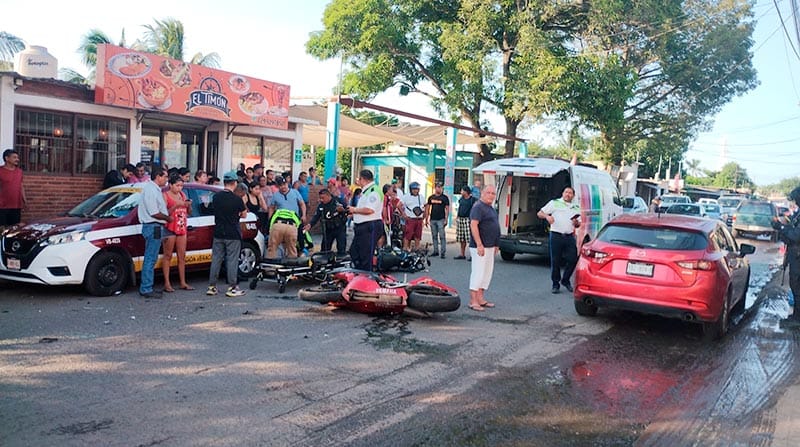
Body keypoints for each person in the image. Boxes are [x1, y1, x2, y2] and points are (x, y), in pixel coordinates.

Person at [207, 171, 248, 298]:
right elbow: (244, 214)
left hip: (218, 232)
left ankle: (212, 286)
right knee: (232, 260)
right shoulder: (237, 199)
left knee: (216, 259)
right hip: (233, 233)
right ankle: (232, 287)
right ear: (234, 183)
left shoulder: (216, 197)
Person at [537, 186, 581, 294]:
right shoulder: (555, 203)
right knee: (555, 260)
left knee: (573, 259)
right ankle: (555, 284)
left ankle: (565, 280)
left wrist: (576, 222)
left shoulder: (576, 207)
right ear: (563, 193)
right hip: (556, 235)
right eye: (566, 192)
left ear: (573, 196)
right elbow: (540, 213)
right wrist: (547, 217)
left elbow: (578, 224)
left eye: (570, 193)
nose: (568, 194)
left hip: (569, 236)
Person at [137, 167, 171, 299]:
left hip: (154, 226)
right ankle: (146, 288)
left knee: (152, 257)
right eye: (165, 177)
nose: (166, 180)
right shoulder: (151, 190)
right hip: (153, 226)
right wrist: (168, 218)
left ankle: (147, 286)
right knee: (151, 258)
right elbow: (154, 212)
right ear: (158, 176)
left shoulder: (154, 189)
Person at [468, 185, 500, 311]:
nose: (491, 195)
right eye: (488, 192)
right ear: (482, 193)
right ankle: (473, 300)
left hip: (490, 246)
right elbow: (474, 225)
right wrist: (479, 244)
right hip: (480, 247)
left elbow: (496, 226)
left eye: (493, 193)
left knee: (487, 273)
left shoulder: (491, 208)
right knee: (478, 273)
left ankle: (481, 298)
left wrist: (497, 244)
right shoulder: (478, 207)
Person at [161, 174, 193, 292]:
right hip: (169, 228)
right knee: (168, 255)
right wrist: (176, 205)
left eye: (181, 186)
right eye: (177, 185)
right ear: (170, 185)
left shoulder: (183, 195)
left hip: (181, 227)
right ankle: (167, 283)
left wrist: (188, 206)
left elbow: (189, 212)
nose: (179, 188)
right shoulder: (165, 196)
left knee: (182, 256)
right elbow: (164, 213)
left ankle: (183, 282)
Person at [348, 169, 384, 271]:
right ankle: (360, 275)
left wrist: (354, 209)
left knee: (366, 255)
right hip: (362, 227)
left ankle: (366, 279)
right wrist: (352, 213)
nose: (358, 181)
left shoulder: (374, 191)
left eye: (359, 179)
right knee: (354, 252)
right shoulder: (367, 191)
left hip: (370, 226)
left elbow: (369, 210)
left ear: (363, 179)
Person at [775, 186, 800, 327]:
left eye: (796, 200)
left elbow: (796, 236)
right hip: (794, 255)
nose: (795, 203)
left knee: (797, 287)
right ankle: (796, 315)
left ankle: (797, 318)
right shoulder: (798, 213)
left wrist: (782, 228)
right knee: (795, 286)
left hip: (798, 256)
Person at [267, 176, 306, 258]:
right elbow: (271, 207)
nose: (283, 187)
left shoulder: (295, 192)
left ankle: (300, 254)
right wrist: (270, 219)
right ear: (278, 186)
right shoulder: (276, 195)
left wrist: (304, 215)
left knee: (297, 241)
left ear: (287, 183)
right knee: (273, 245)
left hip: (295, 221)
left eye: (284, 184)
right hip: (280, 221)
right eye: (280, 185)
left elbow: (302, 204)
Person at [304, 189, 348, 255]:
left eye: (323, 198)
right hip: (328, 229)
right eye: (320, 198)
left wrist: (343, 210)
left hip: (340, 228)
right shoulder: (321, 205)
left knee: (341, 247)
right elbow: (316, 216)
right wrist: (310, 225)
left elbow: (348, 210)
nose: (321, 200)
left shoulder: (337, 201)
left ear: (328, 196)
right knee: (324, 249)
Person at [0, 149, 26, 226]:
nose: (17, 160)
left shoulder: (19, 171)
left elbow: (21, 186)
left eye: (17, 158)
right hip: (2, 206)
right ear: (7, 158)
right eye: (14, 157)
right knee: (2, 229)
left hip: (16, 206)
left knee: (14, 229)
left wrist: (24, 200)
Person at [425, 182, 450, 259]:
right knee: (434, 236)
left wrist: (446, 219)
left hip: (441, 219)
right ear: (435, 188)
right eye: (437, 187)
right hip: (433, 219)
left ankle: (443, 252)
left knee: (442, 236)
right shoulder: (431, 197)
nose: (439, 189)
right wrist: (426, 219)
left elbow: (447, 209)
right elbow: (427, 208)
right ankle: (435, 251)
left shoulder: (444, 198)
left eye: (440, 187)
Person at [401, 182, 425, 251]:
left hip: (419, 219)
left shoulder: (421, 197)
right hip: (410, 219)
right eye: (414, 189)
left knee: (418, 235)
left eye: (417, 189)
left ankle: (417, 249)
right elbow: (399, 205)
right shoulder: (406, 197)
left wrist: (424, 216)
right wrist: (403, 214)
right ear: (410, 189)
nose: (415, 191)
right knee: (408, 234)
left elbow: (425, 206)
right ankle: (405, 248)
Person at [455, 186, 477, 260]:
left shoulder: (472, 200)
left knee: (469, 238)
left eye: (462, 190)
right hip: (460, 219)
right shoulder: (461, 199)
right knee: (461, 238)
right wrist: (457, 216)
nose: (461, 192)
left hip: (468, 219)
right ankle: (462, 254)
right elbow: (460, 208)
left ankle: (472, 255)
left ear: (466, 192)